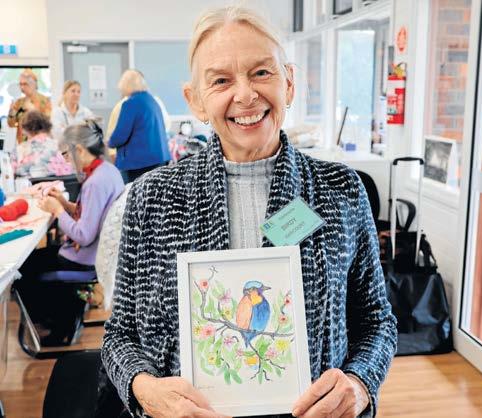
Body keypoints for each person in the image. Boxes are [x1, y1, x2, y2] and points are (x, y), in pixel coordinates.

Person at [102, 7, 396, 418]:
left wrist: (360, 383)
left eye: (261, 72)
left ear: (288, 83)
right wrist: (143, 388)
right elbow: (119, 334)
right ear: (196, 100)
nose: (245, 95)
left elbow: (378, 320)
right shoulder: (151, 199)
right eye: (221, 80)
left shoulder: (340, 190)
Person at [15, 119, 124, 345]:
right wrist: (64, 204)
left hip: (86, 257)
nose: (66, 161)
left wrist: (57, 211)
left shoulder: (95, 182)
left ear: (80, 150)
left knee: (23, 271)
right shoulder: (108, 171)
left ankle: (59, 325)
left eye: (66, 154)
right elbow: (91, 216)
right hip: (95, 252)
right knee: (33, 262)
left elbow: (84, 235)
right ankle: (63, 315)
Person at [108, 69, 171, 183]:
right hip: (159, 159)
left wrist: (109, 142)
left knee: (132, 193)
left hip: (138, 164)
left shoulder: (130, 103)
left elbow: (120, 136)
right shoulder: (152, 100)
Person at [12, 110, 73, 177]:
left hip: (30, 183)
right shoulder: (62, 147)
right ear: (47, 126)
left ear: (25, 130)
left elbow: (11, 173)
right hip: (61, 183)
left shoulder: (19, 150)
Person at [7, 69, 52, 143]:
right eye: (20, 84)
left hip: (40, 143)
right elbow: (11, 124)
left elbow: (48, 123)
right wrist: (11, 112)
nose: (22, 87)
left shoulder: (45, 101)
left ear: (34, 84)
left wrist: (34, 110)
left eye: (25, 84)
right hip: (23, 144)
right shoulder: (19, 102)